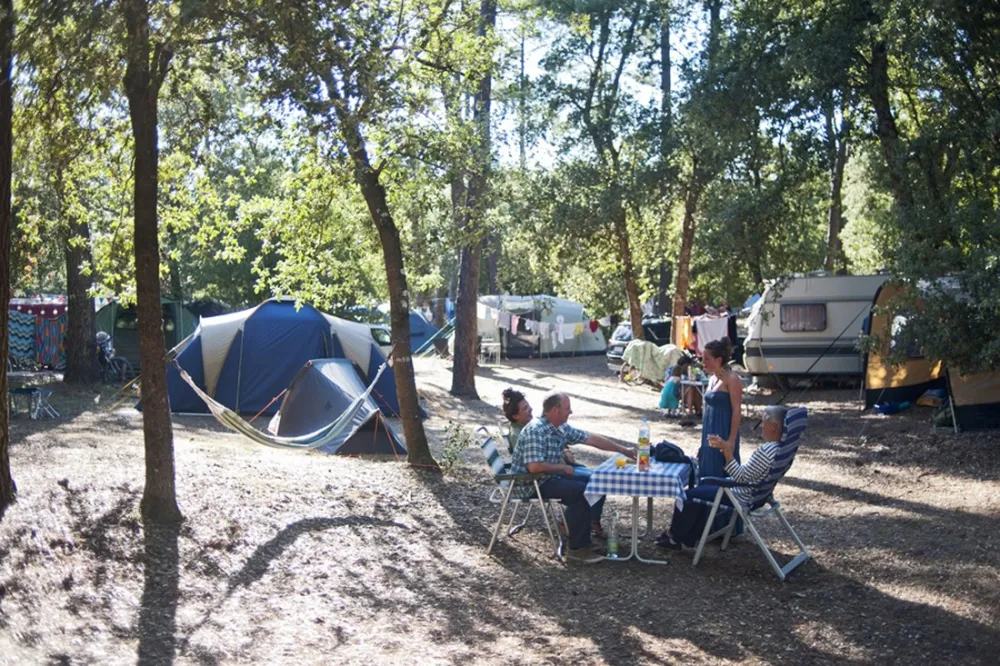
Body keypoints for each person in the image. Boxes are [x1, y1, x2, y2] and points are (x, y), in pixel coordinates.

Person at [509, 391, 636, 558]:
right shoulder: (536, 430)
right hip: (531, 484)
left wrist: (623, 450)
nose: (571, 412)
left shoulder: (559, 427)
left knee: (594, 480)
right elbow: (534, 467)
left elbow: (590, 439)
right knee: (580, 491)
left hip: (546, 477)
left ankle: (581, 527)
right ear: (555, 410)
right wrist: (561, 467)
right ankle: (577, 548)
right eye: (567, 408)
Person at [656, 405, 788, 549]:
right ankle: (685, 538)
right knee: (700, 493)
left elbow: (740, 477)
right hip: (756, 494)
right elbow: (749, 475)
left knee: (686, 496)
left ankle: (675, 538)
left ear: (774, 427)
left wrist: (726, 451)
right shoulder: (782, 450)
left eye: (764, 422)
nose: (761, 426)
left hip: (739, 495)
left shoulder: (766, 451)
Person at [697, 337, 743, 479]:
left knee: (722, 473)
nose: (703, 363)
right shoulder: (712, 379)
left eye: (706, 359)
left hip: (724, 431)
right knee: (707, 470)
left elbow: (737, 410)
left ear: (718, 360)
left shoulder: (732, 378)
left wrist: (731, 441)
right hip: (709, 432)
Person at [501, 388, 532, 453]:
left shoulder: (525, 425)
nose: (531, 409)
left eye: (528, 405)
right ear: (515, 416)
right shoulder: (516, 436)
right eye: (525, 408)